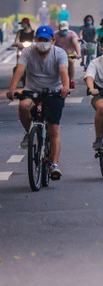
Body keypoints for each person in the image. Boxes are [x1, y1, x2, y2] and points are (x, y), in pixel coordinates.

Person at [6, 25, 70, 179]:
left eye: (45, 40)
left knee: (53, 130)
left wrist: (65, 87)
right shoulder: (28, 52)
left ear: (52, 40)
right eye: (39, 39)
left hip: (54, 92)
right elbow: (20, 70)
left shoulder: (59, 53)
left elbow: (63, 73)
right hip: (32, 91)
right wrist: (12, 89)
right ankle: (30, 133)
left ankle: (54, 164)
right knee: (23, 105)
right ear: (35, 39)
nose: (42, 42)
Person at [53, 20, 82, 88]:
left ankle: (71, 80)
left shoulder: (72, 34)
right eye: (62, 30)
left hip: (69, 54)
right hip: (58, 54)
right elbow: (52, 43)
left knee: (71, 62)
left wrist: (78, 53)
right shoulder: (55, 34)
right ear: (59, 29)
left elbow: (75, 43)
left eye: (65, 30)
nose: (64, 31)